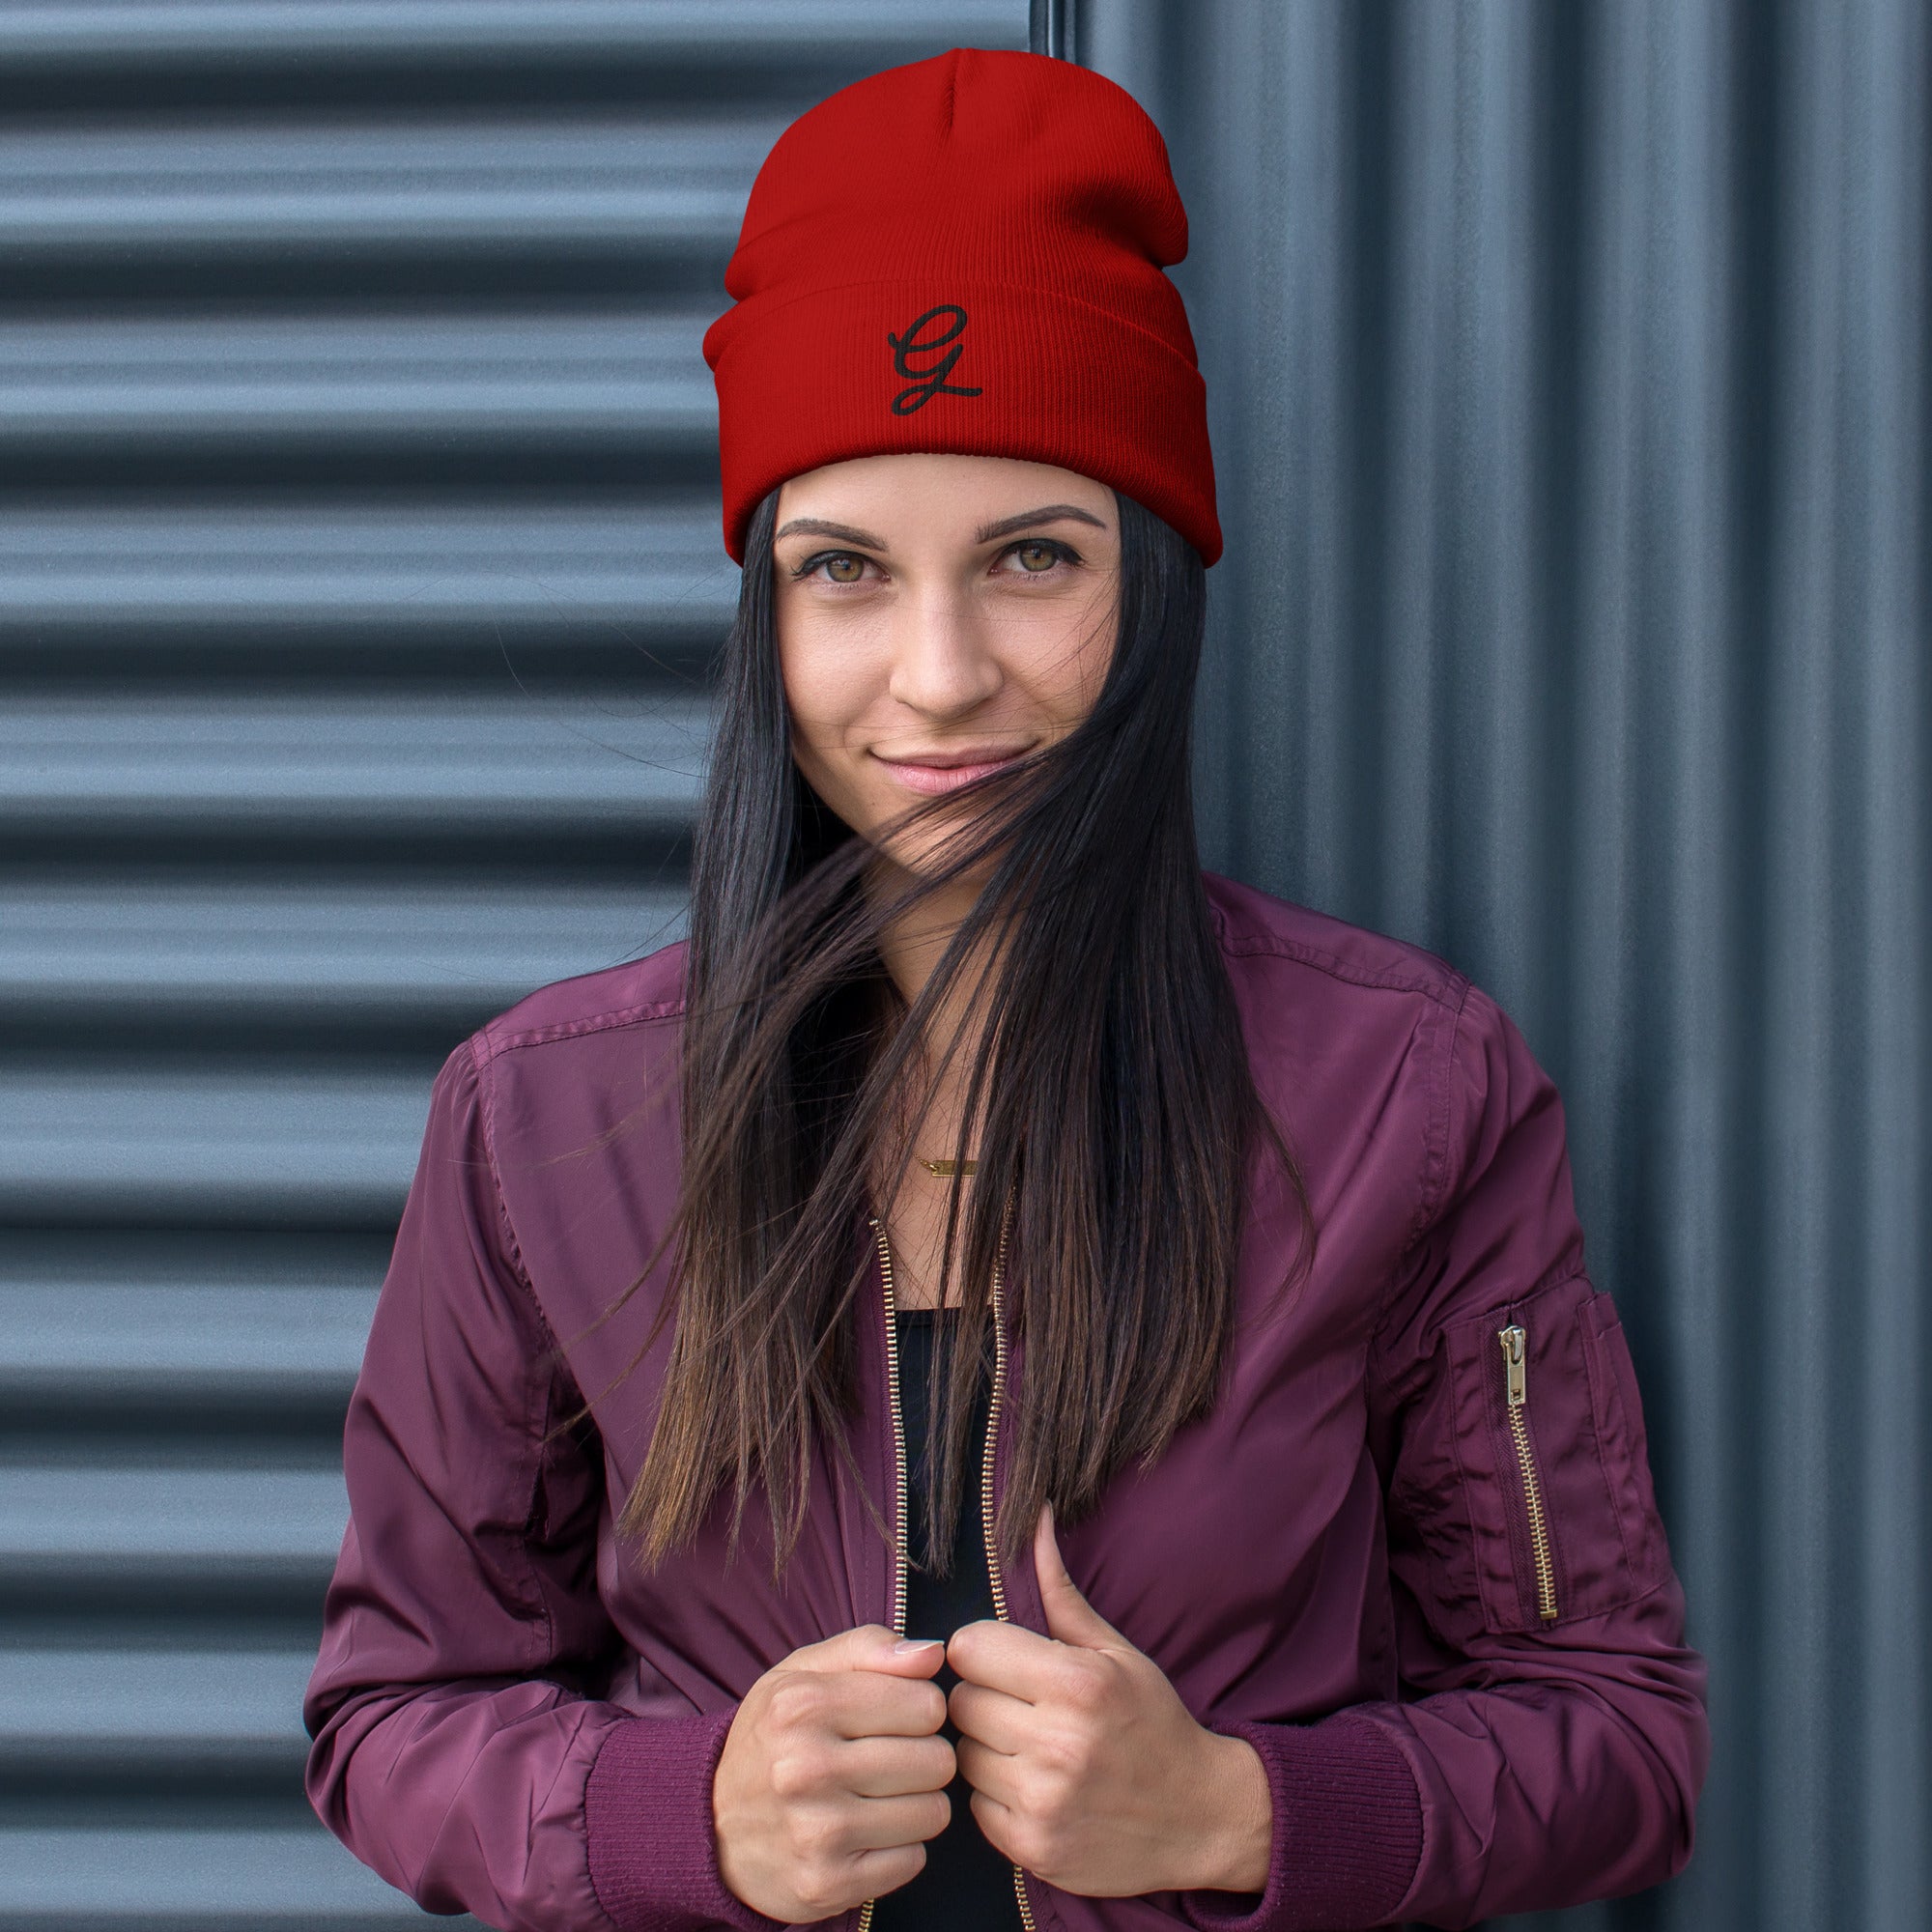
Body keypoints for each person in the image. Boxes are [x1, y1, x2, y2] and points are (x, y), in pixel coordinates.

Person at [303, 47, 1708, 1932]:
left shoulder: (1405, 1095)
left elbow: (1615, 1737)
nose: (941, 673)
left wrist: (1239, 1811)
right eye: (848, 570)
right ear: (772, 615)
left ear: (1153, 586)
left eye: (1032, 557)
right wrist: (674, 1815)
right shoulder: (546, 1116)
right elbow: (392, 1711)